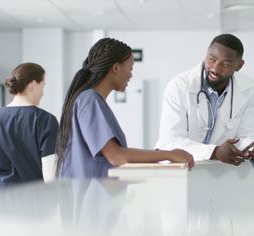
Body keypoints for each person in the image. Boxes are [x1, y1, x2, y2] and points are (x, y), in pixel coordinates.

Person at [56, 38, 194, 179]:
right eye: (131, 68)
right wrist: (169, 154)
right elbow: (116, 156)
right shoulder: (90, 100)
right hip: (88, 197)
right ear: (116, 68)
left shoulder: (91, 100)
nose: (131, 75)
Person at [155, 34, 254, 166]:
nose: (215, 68)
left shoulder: (248, 89)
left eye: (226, 64)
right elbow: (170, 141)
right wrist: (214, 152)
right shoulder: (179, 86)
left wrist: (252, 149)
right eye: (212, 59)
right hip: (178, 171)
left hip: (217, 173)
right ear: (206, 54)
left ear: (239, 65)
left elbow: (246, 136)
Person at [0, 62, 59, 191]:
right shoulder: (46, 120)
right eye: (42, 86)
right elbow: (50, 170)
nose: (43, 93)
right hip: (32, 200)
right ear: (33, 84)